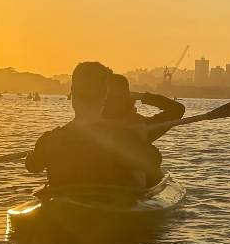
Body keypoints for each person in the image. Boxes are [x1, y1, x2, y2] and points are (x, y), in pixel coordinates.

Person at [25, 62, 158, 189]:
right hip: (111, 206)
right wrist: (141, 138)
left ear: (72, 91)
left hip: (62, 207)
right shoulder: (123, 136)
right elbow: (154, 161)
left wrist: (34, 154)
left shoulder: (49, 140)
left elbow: (32, 166)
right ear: (105, 94)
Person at [96, 74, 186, 186]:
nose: (109, 102)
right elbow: (177, 109)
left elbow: (177, 109)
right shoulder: (89, 127)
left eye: (113, 98)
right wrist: (143, 96)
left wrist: (144, 97)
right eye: (108, 97)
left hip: (129, 189)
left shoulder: (140, 126)